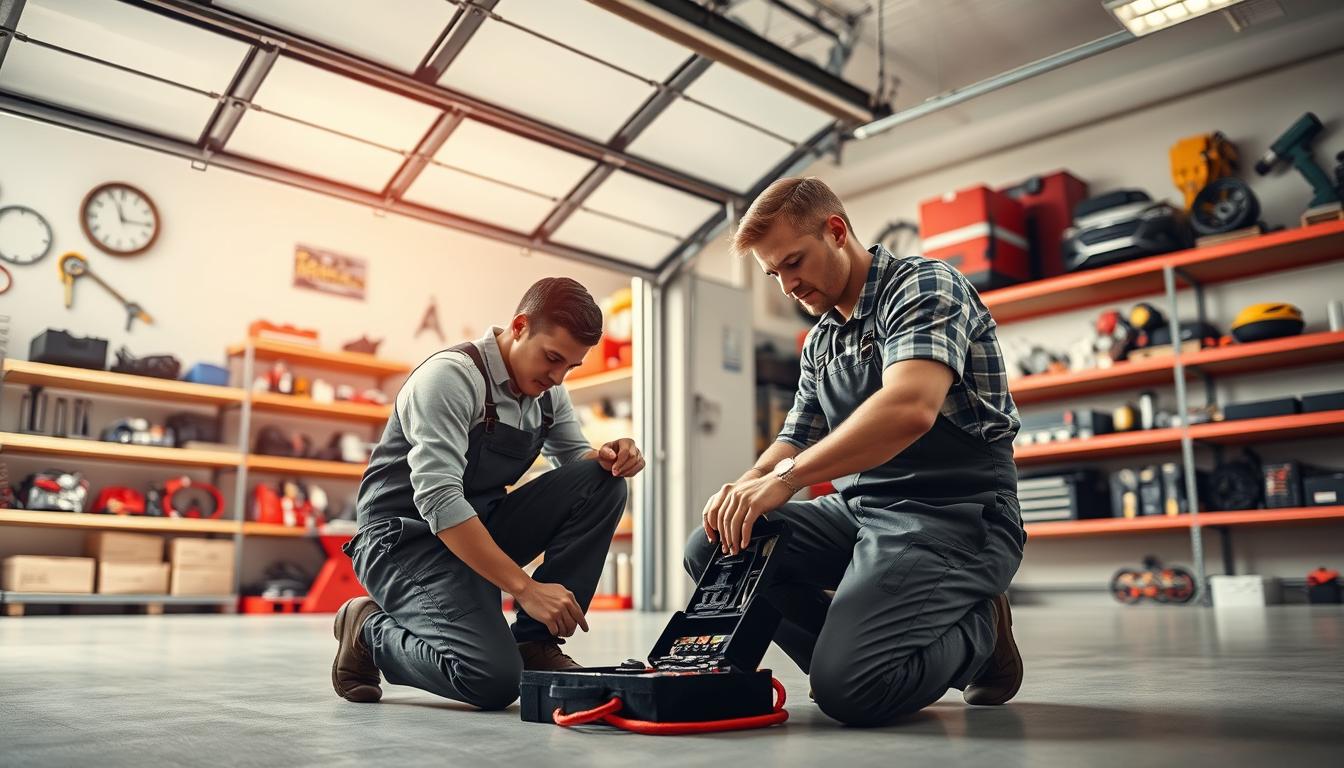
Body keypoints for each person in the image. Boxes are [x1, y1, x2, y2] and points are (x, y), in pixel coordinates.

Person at [688, 177, 1027, 726]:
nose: (788, 286)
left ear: (837, 231)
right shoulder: (821, 341)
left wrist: (787, 479)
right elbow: (793, 438)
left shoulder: (922, 287)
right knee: (716, 547)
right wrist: (747, 485)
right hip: (864, 512)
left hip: (956, 512)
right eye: (775, 274)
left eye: (794, 262)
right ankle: (849, 656)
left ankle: (979, 629)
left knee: (852, 693)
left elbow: (910, 407)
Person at [333, 277, 644, 710]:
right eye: (552, 358)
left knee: (602, 481)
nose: (557, 378)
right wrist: (525, 588)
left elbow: (577, 462)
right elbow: (439, 500)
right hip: (403, 541)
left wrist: (613, 455)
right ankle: (367, 630)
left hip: (475, 530)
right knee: (492, 680)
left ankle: (537, 645)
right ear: (519, 326)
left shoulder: (548, 393)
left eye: (570, 367)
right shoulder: (449, 378)